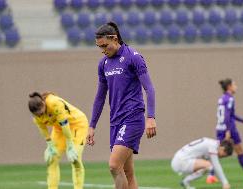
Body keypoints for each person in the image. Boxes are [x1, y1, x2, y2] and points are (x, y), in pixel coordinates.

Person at [86, 22, 157, 189]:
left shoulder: (133, 57)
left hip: (133, 118)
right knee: (128, 173)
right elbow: (100, 97)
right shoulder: (103, 64)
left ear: (115, 39)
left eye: (105, 45)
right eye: (99, 47)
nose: (103, 50)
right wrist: (92, 125)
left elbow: (150, 88)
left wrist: (151, 117)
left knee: (114, 165)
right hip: (115, 121)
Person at [206, 78, 243, 184]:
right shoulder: (230, 99)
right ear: (229, 87)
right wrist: (228, 130)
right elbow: (228, 116)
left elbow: (230, 115)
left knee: (217, 152)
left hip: (219, 127)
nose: (236, 86)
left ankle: (210, 175)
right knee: (239, 151)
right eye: (234, 84)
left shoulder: (222, 98)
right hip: (229, 128)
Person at [28, 92, 88, 189]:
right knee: (52, 159)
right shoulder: (37, 116)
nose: (40, 115)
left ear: (43, 104)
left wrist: (70, 144)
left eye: (41, 112)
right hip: (59, 128)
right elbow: (43, 129)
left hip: (77, 124)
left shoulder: (54, 103)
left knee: (75, 159)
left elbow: (65, 124)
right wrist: (49, 145)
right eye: (37, 114)